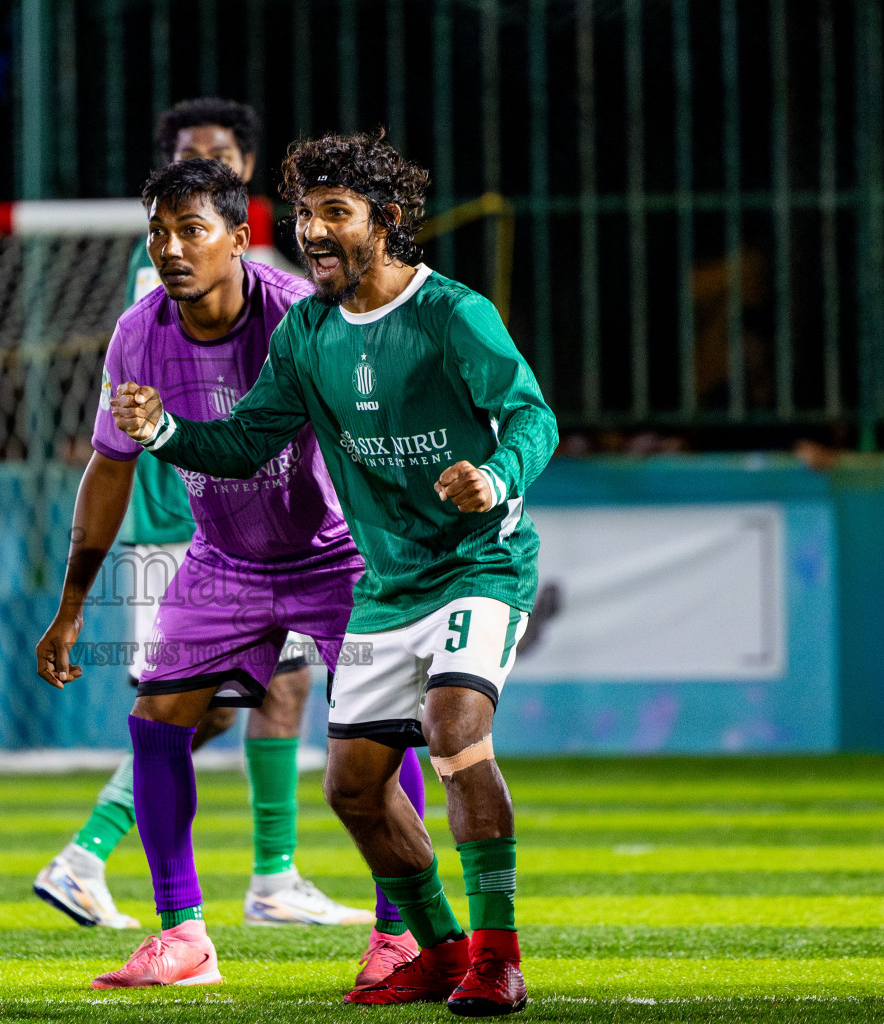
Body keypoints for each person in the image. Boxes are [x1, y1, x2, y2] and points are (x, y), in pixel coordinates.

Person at [110, 132, 557, 1016]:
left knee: (454, 730)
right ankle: (439, 952)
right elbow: (246, 441)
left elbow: (529, 415)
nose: (313, 230)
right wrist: (163, 432)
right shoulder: (308, 330)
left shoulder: (452, 314)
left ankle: (498, 958)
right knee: (352, 787)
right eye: (305, 213)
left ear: (386, 221)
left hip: (477, 564)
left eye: (335, 213)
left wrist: (495, 474)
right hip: (386, 585)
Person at [37, 158, 420, 990]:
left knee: (384, 729)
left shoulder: (301, 316)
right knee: (157, 720)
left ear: (240, 239)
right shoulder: (138, 333)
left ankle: (402, 934)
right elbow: (109, 468)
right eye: (159, 232)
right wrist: (71, 606)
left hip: (335, 555)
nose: (171, 248)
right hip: (225, 559)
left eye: (192, 230)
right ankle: (183, 939)